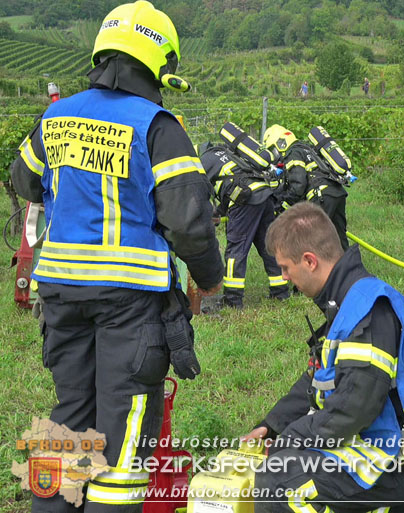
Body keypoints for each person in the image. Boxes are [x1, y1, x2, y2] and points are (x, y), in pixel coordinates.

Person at [10, 1, 224, 510]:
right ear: (159, 63)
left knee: (69, 416)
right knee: (125, 433)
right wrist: (210, 279)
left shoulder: (55, 115)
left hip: (59, 293)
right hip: (128, 300)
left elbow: (22, 178)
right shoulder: (158, 125)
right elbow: (189, 221)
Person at [243, 202, 404, 513]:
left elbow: (353, 409)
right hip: (400, 444)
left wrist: (292, 438)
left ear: (309, 261)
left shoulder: (367, 312)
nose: (284, 277)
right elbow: (320, 377)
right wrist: (272, 425)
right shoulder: (351, 298)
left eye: (285, 268)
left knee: (280, 478)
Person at [200, 126, 289, 309]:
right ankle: (281, 293)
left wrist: (205, 215)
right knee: (268, 247)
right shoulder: (228, 154)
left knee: (235, 250)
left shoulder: (202, 162)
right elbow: (229, 186)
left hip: (246, 201)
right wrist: (219, 213)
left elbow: (200, 193)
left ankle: (232, 300)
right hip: (264, 195)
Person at [263, 124, 349, 249]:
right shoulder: (307, 148)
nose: (273, 156)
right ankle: (348, 267)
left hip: (321, 196)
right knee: (339, 240)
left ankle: (315, 268)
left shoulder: (293, 153)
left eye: (272, 150)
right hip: (337, 192)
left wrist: (281, 205)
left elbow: (298, 186)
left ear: (280, 144)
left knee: (311, 242)